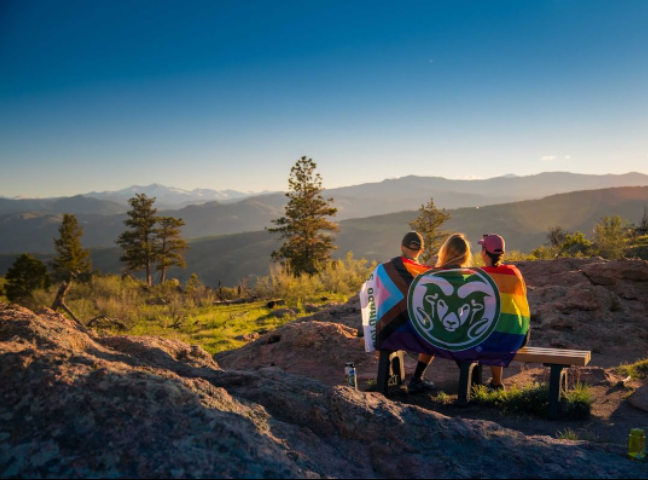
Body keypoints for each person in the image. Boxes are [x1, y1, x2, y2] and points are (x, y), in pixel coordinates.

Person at [478, 234, 531, 392]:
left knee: (488, 332)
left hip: (491, 336)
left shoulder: (481, 275)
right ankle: (496, 383)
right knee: (500, 326)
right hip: (519, 335)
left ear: (484, 252)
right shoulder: (514, 272)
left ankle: (488, 383)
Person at [396, 232, 438, 393]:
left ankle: (392, 376)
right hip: (413, 332)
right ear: (421, 251)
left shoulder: (387, 267)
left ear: (401, 246)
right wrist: (430, 267)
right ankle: (417, 378)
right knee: (435, 334)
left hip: (388, 330)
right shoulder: (423, 273)